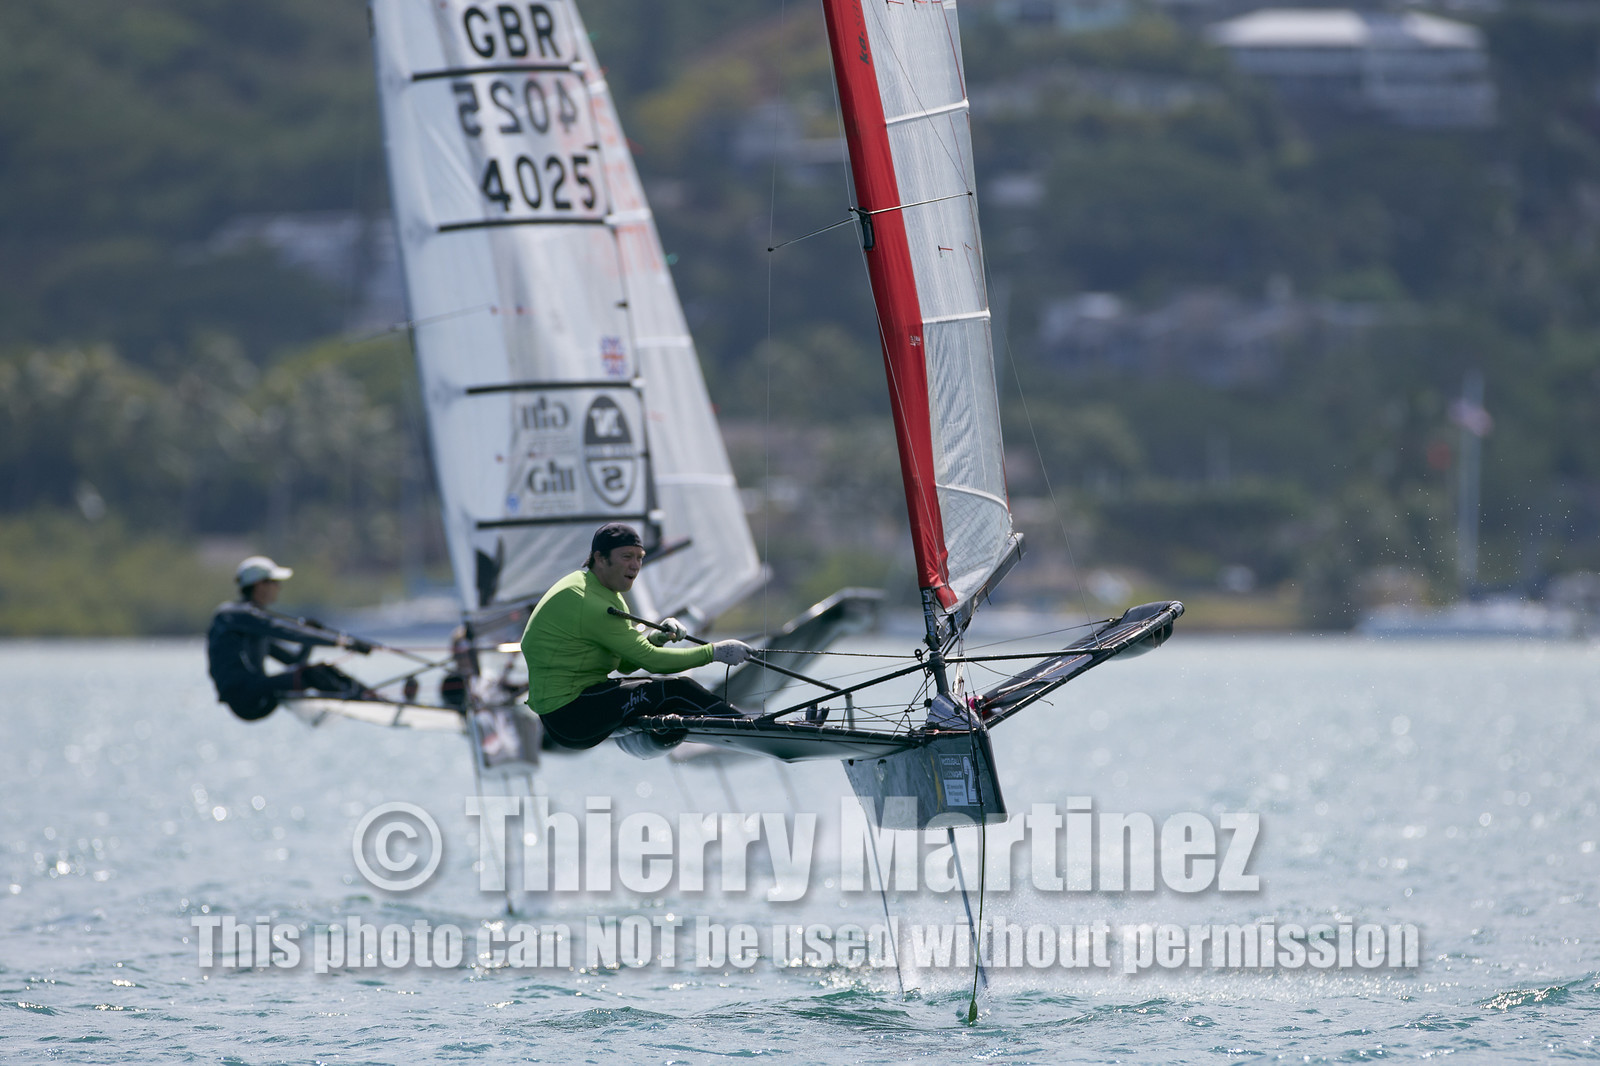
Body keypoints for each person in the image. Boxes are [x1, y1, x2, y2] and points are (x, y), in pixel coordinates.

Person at [520, 523, 753, 750]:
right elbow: (651, 661)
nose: (635, 565)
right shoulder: (589, 601)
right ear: (600, 558)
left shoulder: (601, 590)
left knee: (668, 695)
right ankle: (751, 729)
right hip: (572, 714)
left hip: (567, 712)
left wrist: (657, 637)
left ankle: (739, 727)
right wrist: (715, 652)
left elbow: (625, 665)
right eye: (626, 556)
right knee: (678, 690)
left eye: (639, 557)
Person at [207, 555, 373, 721]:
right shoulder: (233, 614)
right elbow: (285, 630)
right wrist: (343, 642)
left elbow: (294, 660)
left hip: (255, 694)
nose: (279, 587)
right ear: (260, 585)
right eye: (275, 582)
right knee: (315, 674)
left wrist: (310, 639)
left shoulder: (252, 623)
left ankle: (372, 696)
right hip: (246, 696)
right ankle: (371, 701)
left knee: (323, 670)